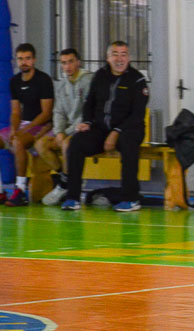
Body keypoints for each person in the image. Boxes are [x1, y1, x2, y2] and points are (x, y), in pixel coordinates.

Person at [60, 41, 148, 212]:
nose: (119, 58)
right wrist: (87, 122)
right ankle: (73, 197)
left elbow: (137, 115)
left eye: (123, 54)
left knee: (129, 144)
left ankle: (130, 199)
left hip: (130, 128)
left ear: (128, 58)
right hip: (101, 129)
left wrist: (116, 132)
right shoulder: (100, 76)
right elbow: (89, 103)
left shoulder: (137, 80)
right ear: (108, 58)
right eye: (115, 54)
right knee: (76, 143)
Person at [34, 48, 93, 205]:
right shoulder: (61, 85)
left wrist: (66, 133)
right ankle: (66, 179)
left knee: (68, 144)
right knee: (40, 144)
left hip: (84, 128)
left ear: (78, 62)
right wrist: (59, 132)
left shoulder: (89, 81)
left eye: (71, 62)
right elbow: (58, 111)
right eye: (64, 63)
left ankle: (66, 184)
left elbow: (87, 113)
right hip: (66, 129)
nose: (67, 66)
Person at [0, 43, 54, 206]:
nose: (24, 62)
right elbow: (16, 111)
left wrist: (25, 130)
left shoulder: (43, 79)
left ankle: (21, 190)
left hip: (42, 124)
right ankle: (1, 191)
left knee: (18, 142)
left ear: (34, 60)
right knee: (10, 138)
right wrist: (14, 129)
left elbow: (46, 113)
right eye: (20, 59)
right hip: (23, 124)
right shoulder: (15, 81)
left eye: (27, 59)